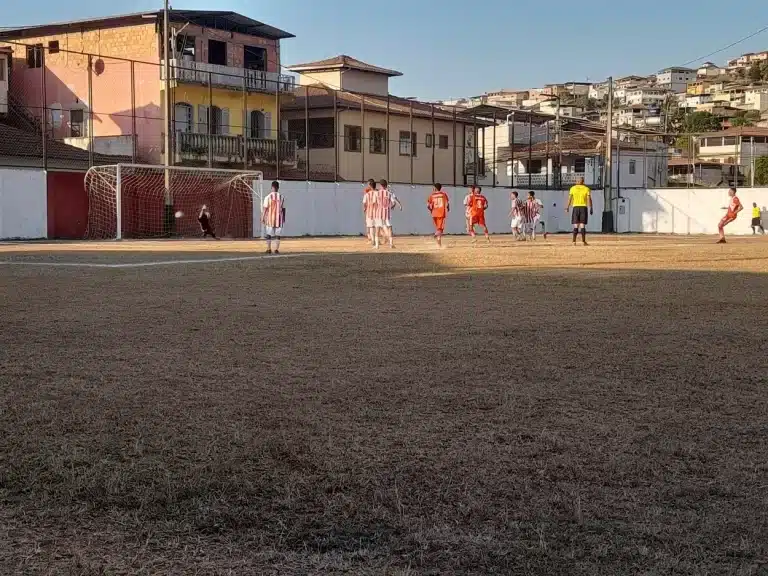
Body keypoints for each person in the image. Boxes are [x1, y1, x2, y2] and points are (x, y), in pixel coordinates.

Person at [565, 177, 592, 246]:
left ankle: (574, 241)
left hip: (575, 207)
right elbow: (589, 199)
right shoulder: (586, 189)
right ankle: (583, 241)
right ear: (583, 182)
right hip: (583, 207)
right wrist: (591, 207)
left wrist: (567, 207)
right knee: (582, 225)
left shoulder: (573, 188)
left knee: (576, 225)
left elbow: (569, 199)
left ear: (576, 182)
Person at [262, 181, 286, 254]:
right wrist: (284, 218)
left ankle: (269, 249)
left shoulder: (268, 197)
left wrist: (262, 217)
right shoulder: (281, 197)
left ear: (272, 187)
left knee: (268, 234)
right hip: (279, 218)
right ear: (278, 188)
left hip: (270, 218)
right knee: (277, 235)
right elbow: (283, 209)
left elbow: (265, 208)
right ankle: (276, 249)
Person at [380, 179, 402, 248]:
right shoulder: (389, 192)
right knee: (389, 227)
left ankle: (386, 237)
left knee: (380, 227)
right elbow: (394, 201)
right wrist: (395, 206)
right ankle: (391, 243)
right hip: (387, 212)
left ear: (380, 185)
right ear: (386, 185)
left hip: (380, 212)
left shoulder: (378, 193)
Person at [427, 183, 450, 247]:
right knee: (440, 229)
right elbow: (447, 204)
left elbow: (428, 205)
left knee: (438, 228)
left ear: (435, 188)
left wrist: (431, 210)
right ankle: (436, 235)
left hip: (434, 213)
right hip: (441, 213)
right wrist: (448, 208)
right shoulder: (443, 194)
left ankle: (439, 244)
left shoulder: (432, 195)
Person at [363, 179, 377, 244]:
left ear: (370, 185)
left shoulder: (367, 194)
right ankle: (374, 239)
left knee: (371, 226)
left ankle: (372, 240)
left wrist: (365, 208)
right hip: (378, 212)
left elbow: (364, 203)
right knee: (377, 227)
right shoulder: (378, 193)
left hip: (370, 212)